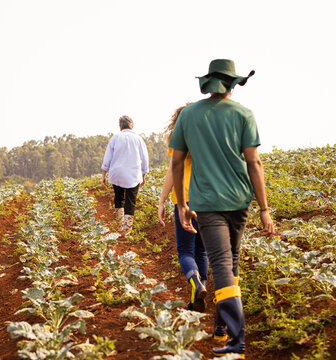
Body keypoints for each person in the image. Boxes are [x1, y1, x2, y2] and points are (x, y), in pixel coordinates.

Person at [169, 59, 275, 358]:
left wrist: (182, 204)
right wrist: (264, 208)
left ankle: (237, 341)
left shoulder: (188, 115)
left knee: (221, 265)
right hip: (240, 200)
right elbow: (253, 162)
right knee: (233, 261)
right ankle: (221, 328)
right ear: (232, 84)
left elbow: (177, 162)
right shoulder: (244, 114)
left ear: (208, 84)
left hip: (207, 204)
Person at [157, 104, 209, 313]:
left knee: (186, 251)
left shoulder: (178, 138)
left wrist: (162, 201)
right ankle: (198, 297)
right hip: (207, 200)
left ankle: (196, 283)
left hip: (184, 200)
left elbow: (173, 170)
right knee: (202, 251)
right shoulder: (208, 137)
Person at [101, 115, 149, 237]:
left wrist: (103, 175)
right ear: (131, 126)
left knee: (119, 198)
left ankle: (119, 226)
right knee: (130, 201)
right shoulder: (138, 139)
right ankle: (127, 231)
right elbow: (144, 159)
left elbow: (107, 158)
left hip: (117, 173)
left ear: (120, 126)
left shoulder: (115, 138)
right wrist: (143, 175)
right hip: (133, 174)